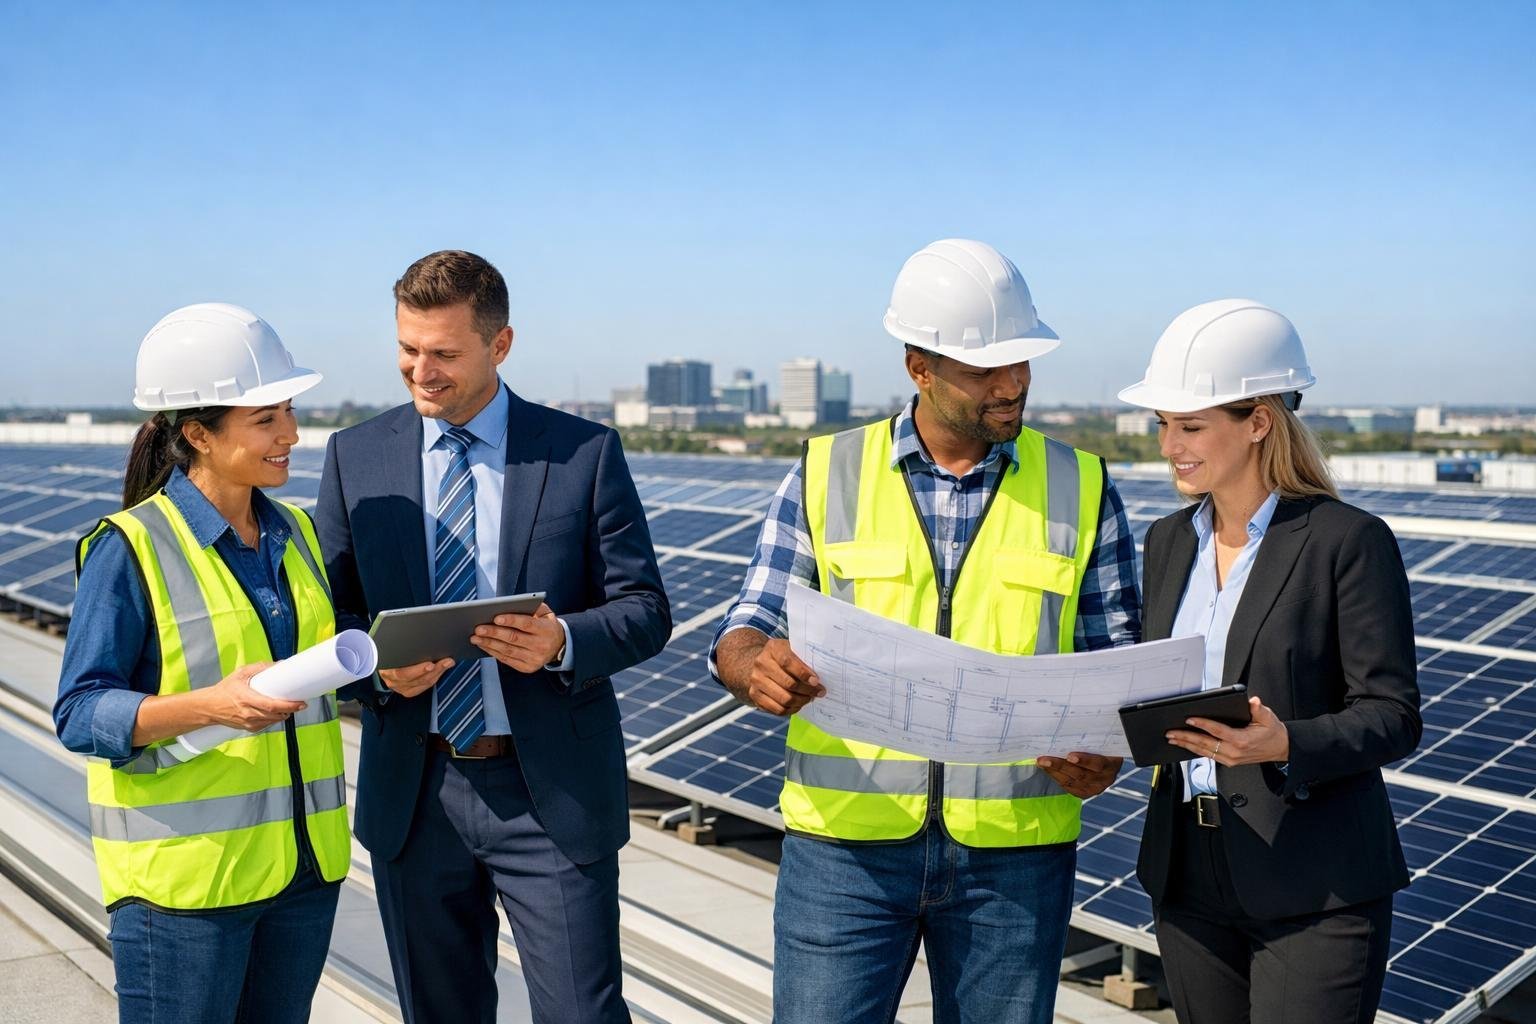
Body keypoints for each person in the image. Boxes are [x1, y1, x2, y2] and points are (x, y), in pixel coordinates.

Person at [711, 239, 1142, 1023]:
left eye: (1022, 363)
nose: (1013, 386)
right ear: (920, 368)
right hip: (843, 852)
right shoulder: (824, 470)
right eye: (986, 370)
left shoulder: (1082, 484)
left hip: (1015, 856)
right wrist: (751, 667)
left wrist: (1105, 751)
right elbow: (747, 625)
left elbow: (1117, 660)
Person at [315, 249, 670, 1024]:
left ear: (500, 346)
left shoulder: (582, 453)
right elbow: (328, 623)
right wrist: (377, 675)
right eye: (408, 350)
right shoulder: (356, 457)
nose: (420, 372)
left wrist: (563, 641)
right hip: (417, 795)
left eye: (444, 354)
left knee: (583, 1013)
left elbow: (645, 607)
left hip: (550, 799)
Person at [1119, 299, 1421, 1023]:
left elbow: (1394, 717)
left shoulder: (1345, 540)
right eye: (1163, 424)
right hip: (1186, 872)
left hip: (1314, 884)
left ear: (1259, 422)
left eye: (1191, 426)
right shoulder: (1167, 542)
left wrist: (1286, 741)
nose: (1170, 446)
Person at [54, 303, 348, 1024]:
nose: (292, 435)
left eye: (288, 412)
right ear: (197, 435)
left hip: (303, 872)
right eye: (266, 420)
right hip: (186, 893)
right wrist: (212, 706)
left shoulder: (298, 533)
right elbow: (79, 713)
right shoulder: (131, 548)